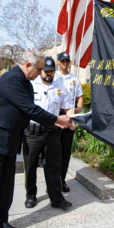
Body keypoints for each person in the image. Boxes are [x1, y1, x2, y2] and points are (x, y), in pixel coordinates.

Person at [0, 49, 71, 228]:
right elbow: (29, 108)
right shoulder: (12, 79)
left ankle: (0, 221)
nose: (41, 73)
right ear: (28, 66)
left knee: (5, 184)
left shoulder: (24, 81)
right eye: (39, 69)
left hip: (8, 139)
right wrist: (56, 119)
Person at [23, 57, 73, 210]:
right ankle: (30, 195)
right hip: (32, 133)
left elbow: (69, 106)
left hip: (52, 133)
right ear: (41, 71)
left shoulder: (59, 88)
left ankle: (56, 198)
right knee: (30, 166)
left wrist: (70, 120)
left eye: (51, 71)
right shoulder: (30, 85)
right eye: (46, 71)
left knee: (53, 167)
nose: (48, 74)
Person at [55, 52, 84, 193]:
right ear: (58, 62)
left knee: (66, 151)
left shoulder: (74, 79)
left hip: (69, 114)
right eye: (62, 61)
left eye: (67, 61)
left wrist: (78, 109)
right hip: (55, 115)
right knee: (55, 151)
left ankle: (62, 180)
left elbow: (80, 97)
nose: (65, 63)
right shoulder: (53, 76)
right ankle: (53, 181)